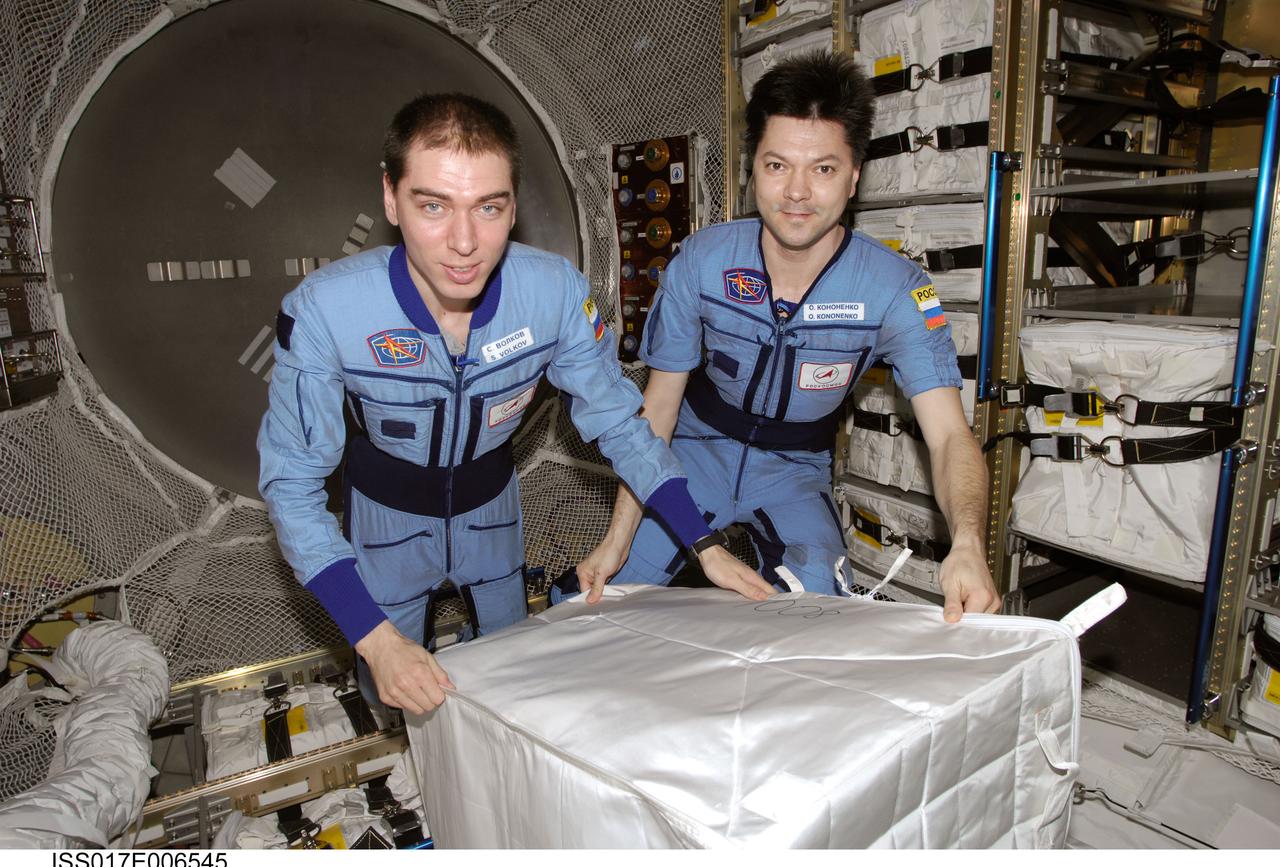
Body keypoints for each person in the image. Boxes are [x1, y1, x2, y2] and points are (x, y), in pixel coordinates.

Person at [258, 93, 774, 716]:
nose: (464, 242)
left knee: (508, 674)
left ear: (513, 207)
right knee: (391, 693)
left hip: (491, 514)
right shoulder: (326, 311)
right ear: (391, 198)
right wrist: (374, 640)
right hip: (384, 517)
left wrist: (705, 543)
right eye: (433, 206)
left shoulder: (552, 293)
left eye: (489, 208)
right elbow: (292, 483)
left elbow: (622, 426)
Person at [571, 51, 999, 620]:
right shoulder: (702, 261)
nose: (797, 192)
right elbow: (658, 408)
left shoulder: (896, 290)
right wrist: (619, 534)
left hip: (795, 471)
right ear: (752, 169)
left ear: (854, 176)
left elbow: (948, 436)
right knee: (595, 603)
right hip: (691, 451)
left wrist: (968, 543)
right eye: (777, 166)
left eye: (822, 169)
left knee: (822, 613)